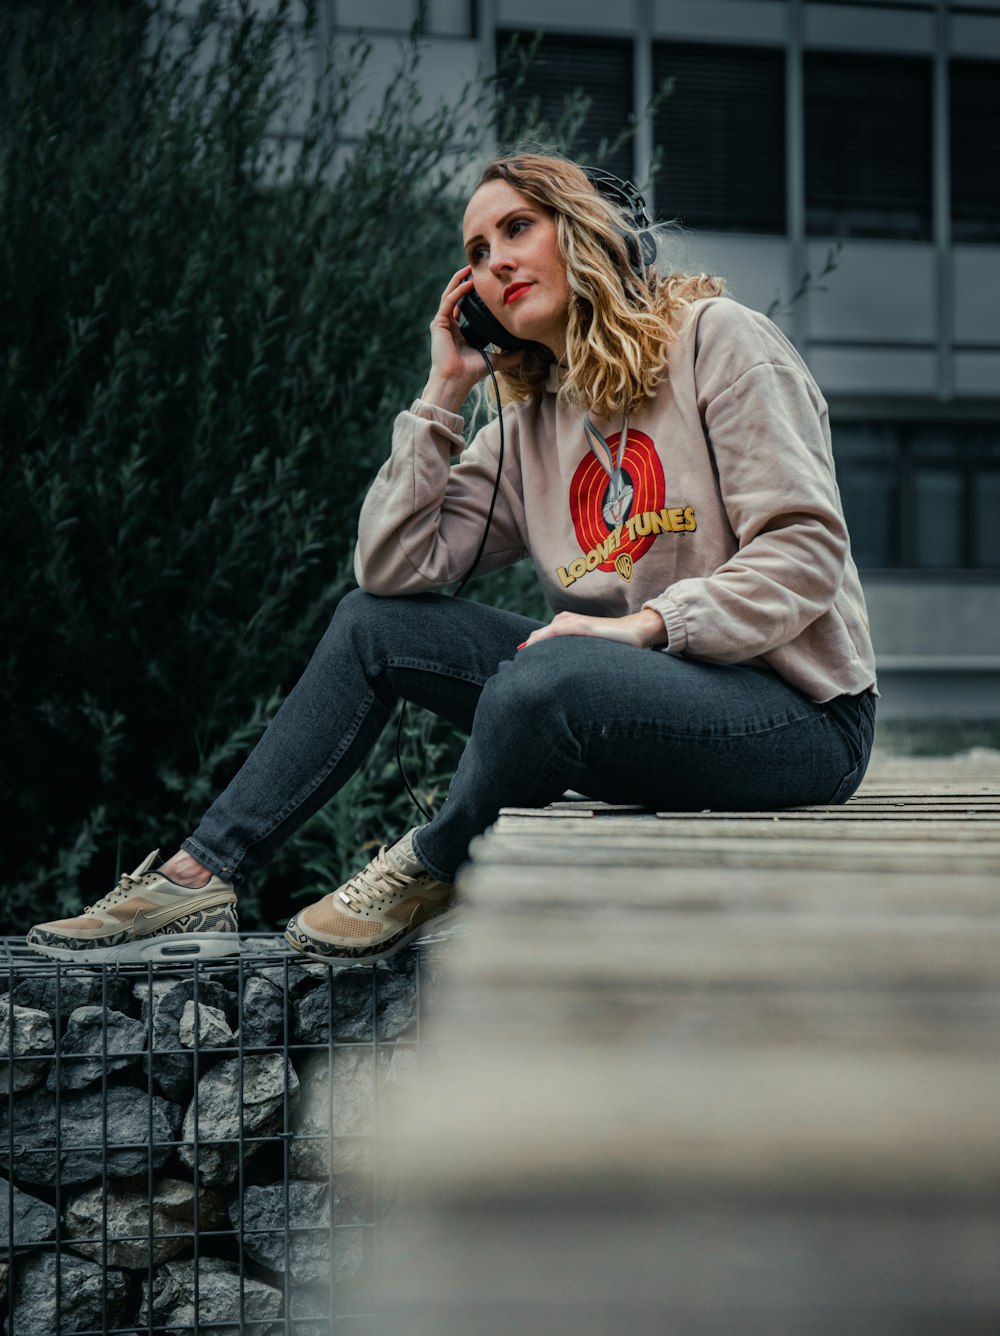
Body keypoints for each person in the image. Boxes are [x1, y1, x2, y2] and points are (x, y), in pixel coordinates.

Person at [27, 152, 877, 967]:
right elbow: (392, 571)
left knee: (547, 675)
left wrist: (645, 630)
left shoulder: (719, 342)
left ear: (582, 232)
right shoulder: (530, 428)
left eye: (516, 229)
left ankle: (434, 861)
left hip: (801, 717)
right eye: (475, 253)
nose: (494, 263)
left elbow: (803, 554)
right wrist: (444, 392)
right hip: (631, 703)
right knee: (375, 627)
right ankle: (201, 875)